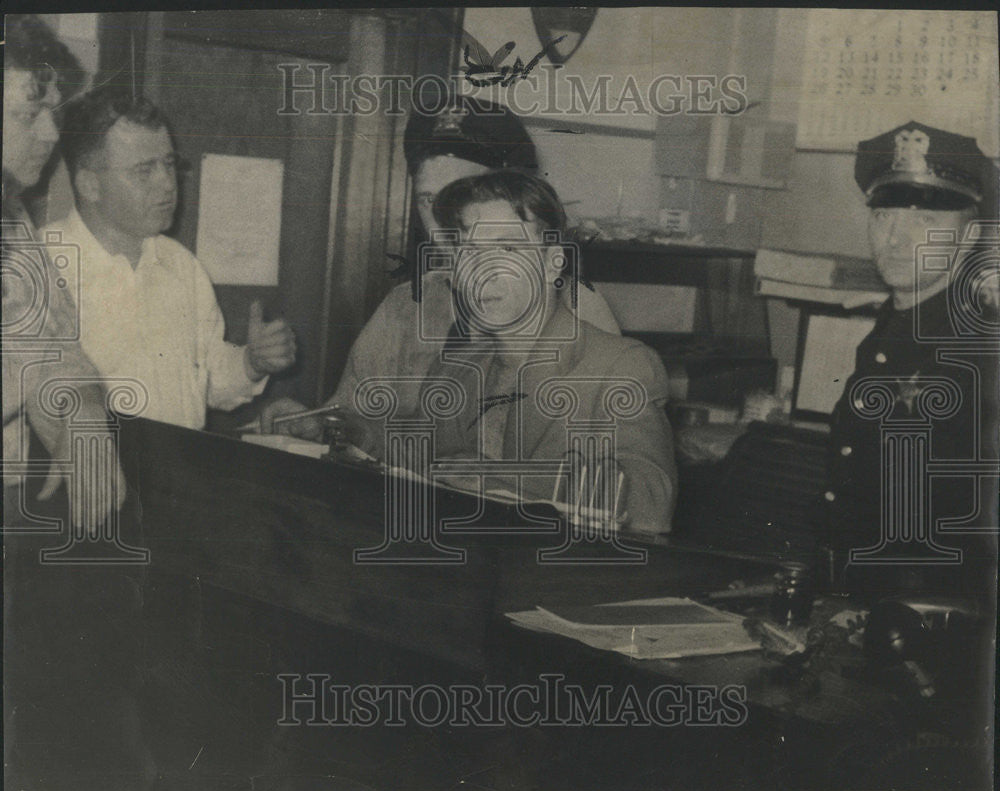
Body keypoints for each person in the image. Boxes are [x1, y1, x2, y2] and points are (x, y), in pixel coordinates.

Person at [260, 95, 619, 435]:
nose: (440, 220)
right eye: (427, 199)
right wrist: (315, 423)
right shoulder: (406, 306)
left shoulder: (576, 309)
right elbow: (354, 414)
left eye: (457, 197)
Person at [366, 171, 678, 535]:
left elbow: (648, 501)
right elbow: (416, 451)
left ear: (552, 263)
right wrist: (348, 432)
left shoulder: (620, 366)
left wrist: (500, 477)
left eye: (509, 249)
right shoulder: (457, 367)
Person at [50, 86, 296, 430]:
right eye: (144, 170)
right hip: (83, 476)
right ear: (90, 185)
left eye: (168, 164)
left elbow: (206, 380)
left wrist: (251, 362)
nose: (168, 183)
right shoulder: (38, 269)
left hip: (177, 474)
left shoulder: (183, 267)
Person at [826, 120, 998, 601]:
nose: (896, 241)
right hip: (864, 597)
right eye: (884, 218)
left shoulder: (979, 348)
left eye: (925, 223)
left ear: (967, 239)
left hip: (937, 615)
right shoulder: (890, 326)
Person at [2, 14, 124, 531]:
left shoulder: (12, 222)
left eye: (53, 112)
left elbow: (55, 350)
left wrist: (81, 411)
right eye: (32, 114)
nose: (52, 134)